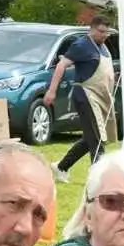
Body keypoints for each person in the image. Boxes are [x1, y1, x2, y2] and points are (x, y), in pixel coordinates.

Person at [45, 14, 115, 182]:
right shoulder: (81, 45)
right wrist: (52, 91)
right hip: (86, 95)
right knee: (98, 138)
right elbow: (62, 65)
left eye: (107, 32)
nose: (104, 35)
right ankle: (98, 179)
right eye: (101, 31)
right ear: (92, 29)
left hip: (101, 97)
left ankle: (62, 167)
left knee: (91, 137)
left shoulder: (104, 47)